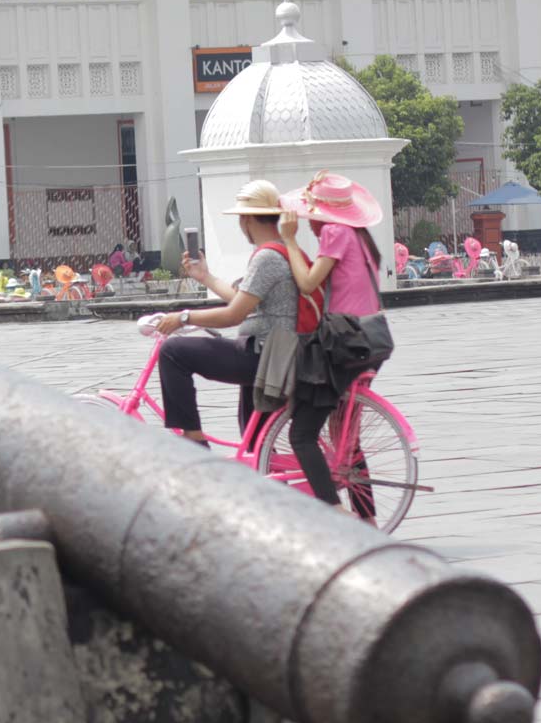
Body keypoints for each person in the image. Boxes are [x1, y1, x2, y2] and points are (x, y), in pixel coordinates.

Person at [153, 180, 299, 444]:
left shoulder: (267, 258)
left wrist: (184, 317)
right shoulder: (280, 251)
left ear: (246, 220)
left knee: (172, 352)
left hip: (263, 355)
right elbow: (244, 302)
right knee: (254, 443)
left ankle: (195, 441)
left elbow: (234, 315)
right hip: (273, 354)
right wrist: (205, 276)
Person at [277, 173, 387, 514]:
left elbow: (308, 283)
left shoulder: (335, 231)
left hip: (346, 342)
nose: (309, 222)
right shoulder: (359, 236)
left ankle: (336, 513)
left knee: (302, 434)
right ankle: (367, 520)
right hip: (372, 338)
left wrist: (289, 241)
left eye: (311, 215)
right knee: (346, 437)